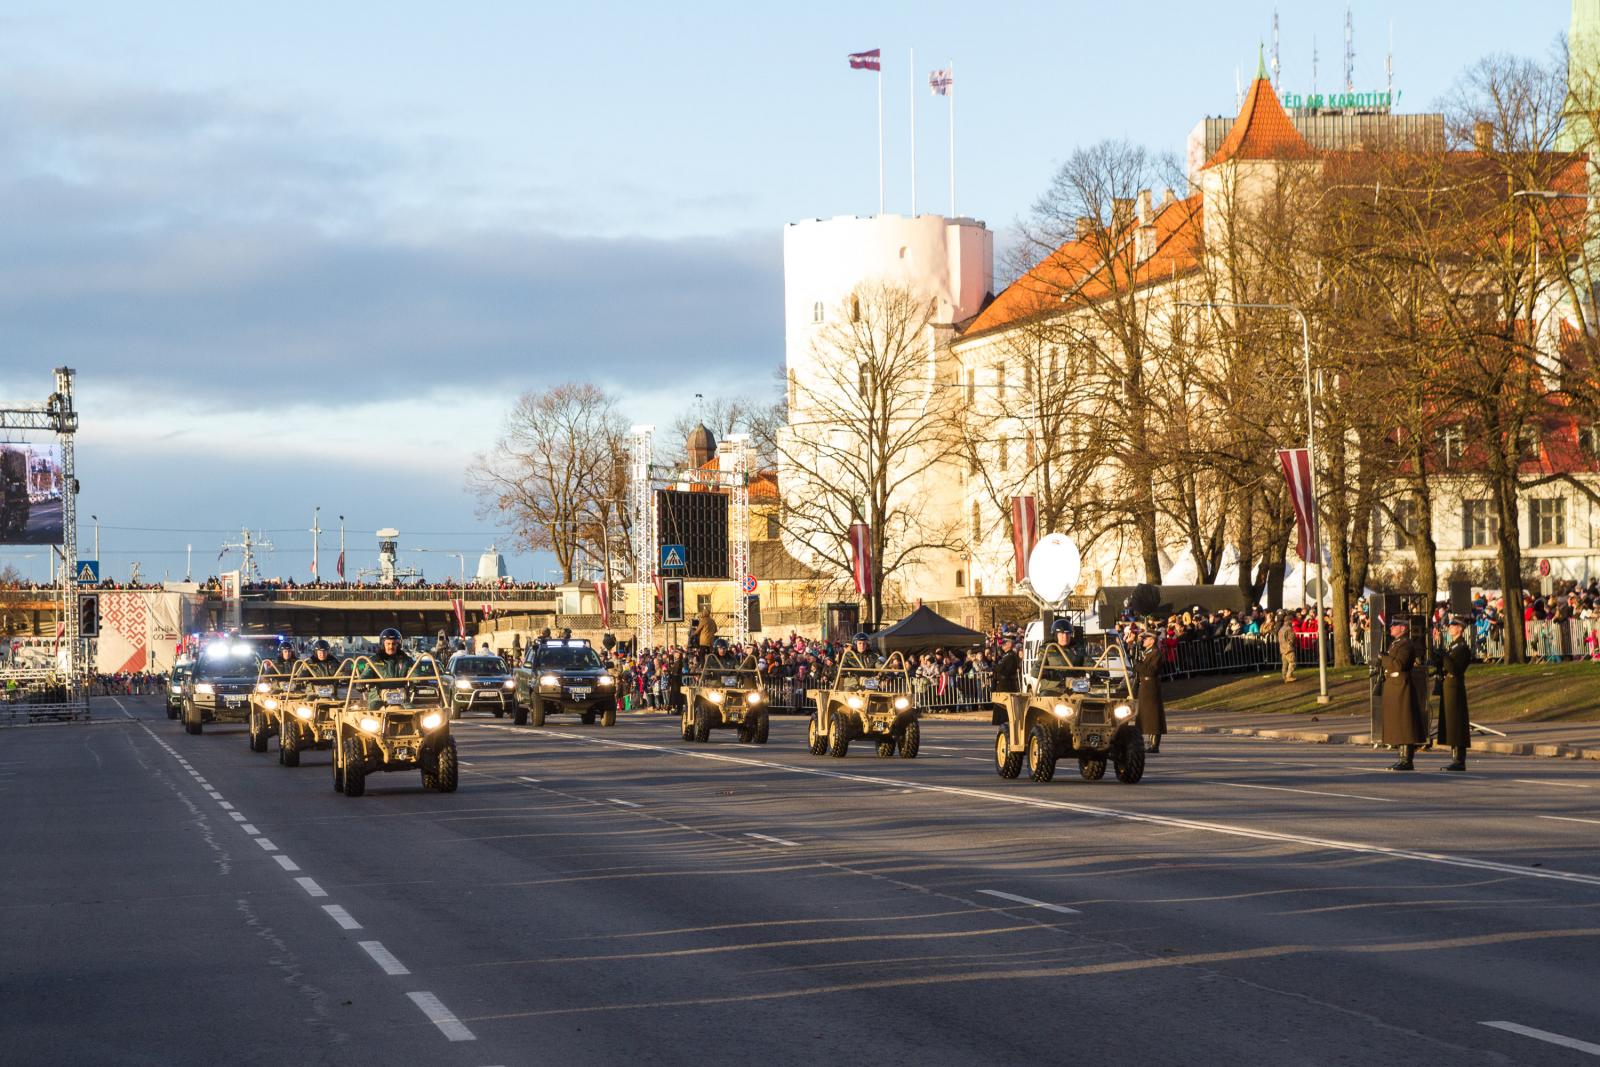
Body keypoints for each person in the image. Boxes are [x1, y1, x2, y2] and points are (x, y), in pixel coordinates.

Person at [1378, 618, 1427, 770]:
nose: (1391, 628)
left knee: (1405, 723)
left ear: (1403, 628)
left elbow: (1399, 665)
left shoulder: (1406, 644)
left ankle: (1407, 759)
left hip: (1401, 686)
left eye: (1394, 625)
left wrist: (1384, 658)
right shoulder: (1396, 643)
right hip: (1393, 686)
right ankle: (1401, 757)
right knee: (1398, 723)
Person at [1434, 616, 1472, 772]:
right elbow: (1442, 662)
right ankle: (1455, 758)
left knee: (1457, 724)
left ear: (1460, 629)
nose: (1449, 628)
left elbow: (1455, 668)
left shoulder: (1463, 648)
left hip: (1455, 687)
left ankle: (1459, 760)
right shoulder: (1453, 646)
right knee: (1450, 724)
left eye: (1453, 625)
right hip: (1447, 687)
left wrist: (1443, 655)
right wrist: (1437, 647)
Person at [360, 627, 415, 706]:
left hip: (401, 698)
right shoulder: (374, 661)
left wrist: (417, 679)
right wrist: (360, 682)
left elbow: (413, 671)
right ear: (383, 644)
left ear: (398, 645)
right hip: (377, 698)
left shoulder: (406, 660)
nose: (391, 647)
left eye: (394, 644)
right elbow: (366, 674)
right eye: (388, 644)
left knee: (411, 711)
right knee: (373, 711)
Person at [1131, 630, 1166, 753]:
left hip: (1150, 686)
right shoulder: (1147, 652)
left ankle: (1154, 744)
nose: (1143, 641)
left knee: (1153, 716)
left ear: (1152, 640)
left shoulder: (1156, 653)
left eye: (1146, 639)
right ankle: (1145, 743)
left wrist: (1138, 665)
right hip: (1144, 685)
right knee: (1144, 716)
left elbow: (1151, 670)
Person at [1277, 613, 1297, 682]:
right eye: (1291, 620)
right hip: (1288, 648)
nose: (1292, 622)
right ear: (1289, 621)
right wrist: (1291, 645)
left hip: (1282, 649)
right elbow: (1292, 638)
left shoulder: (1281, 629)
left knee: (1284, 664)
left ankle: (1284, 676)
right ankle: (1289, 676)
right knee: (1292, 662)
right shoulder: (1289, 629)